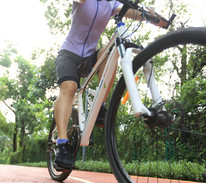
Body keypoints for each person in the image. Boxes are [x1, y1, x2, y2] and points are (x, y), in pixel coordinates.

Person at [53, 0, 149, 171]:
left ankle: (100, 105)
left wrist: (153, 16)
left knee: (110, 51)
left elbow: (134, 13)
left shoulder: (110, 4)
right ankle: (62, 143)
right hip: (68, 55)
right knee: (69, 88)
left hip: (89, 57)